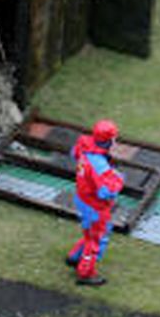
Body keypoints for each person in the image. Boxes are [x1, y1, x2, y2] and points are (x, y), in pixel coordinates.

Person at [66, 118, 125, 285]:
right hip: (95, 207)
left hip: (82, 198)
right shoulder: (99, 165)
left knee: (88, 232)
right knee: (97, 239)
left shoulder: (84, 146)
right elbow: (106, 192)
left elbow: (74, 153)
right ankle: (86, 273)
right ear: (109, 140)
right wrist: (118, 179)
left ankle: (74, 256)